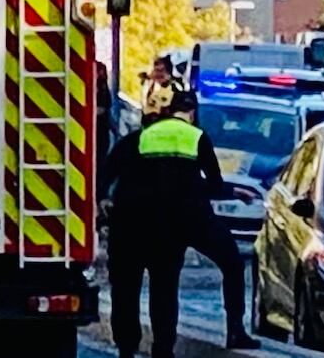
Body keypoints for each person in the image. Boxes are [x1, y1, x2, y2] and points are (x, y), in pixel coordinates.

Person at [102, 91, 259, 358]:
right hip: (179, 220)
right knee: (171, 283)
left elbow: (106, 173)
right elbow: (213, 185)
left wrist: (102, 202)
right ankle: (224, 332)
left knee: (126, 287)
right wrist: (234, 192)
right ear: (193, 114)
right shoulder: (196, 137)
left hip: (131, 220)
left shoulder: (137, 138)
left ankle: (126, 348)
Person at [139, 55, 186, 127]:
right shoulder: (149, 85)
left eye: (161, 70)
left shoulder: (176, 88)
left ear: (169, 72)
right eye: (156, 70)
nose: (158, 74)